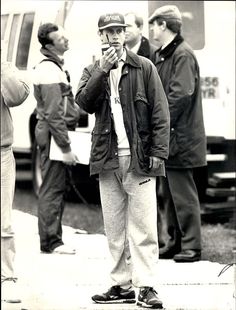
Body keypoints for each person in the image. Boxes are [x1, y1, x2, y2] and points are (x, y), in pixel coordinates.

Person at [75, 12, 170, 309]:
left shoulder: (144, 67)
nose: (115, 36)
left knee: (143, 227)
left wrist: (158, 153)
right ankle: (121, 284)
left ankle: (146, 287)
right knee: (114, 227)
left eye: (119, 30)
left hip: (139, 159)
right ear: (101, 36)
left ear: (126, 33)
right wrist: (102, 70)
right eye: (109, 31)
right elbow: (83, 104)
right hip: (108, 160)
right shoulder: (93, 69)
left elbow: (160, 114)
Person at [148, 5, 207, 262]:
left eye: (154, 24)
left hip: (179, 136)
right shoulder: (165, 55)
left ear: (163, 25)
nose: (151, 29)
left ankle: (192, 246)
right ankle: (174, 242)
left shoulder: (182, 55)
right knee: (168, 194)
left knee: (183, 194)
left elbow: (179, 96)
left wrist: (158, 123)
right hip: (170, 136)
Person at [33, 23, 80, 255]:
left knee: (56, 186)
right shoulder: (50, 70)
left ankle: (53, 239)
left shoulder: (55, 66)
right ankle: (51, 241)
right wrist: (66, 147)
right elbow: (53, 113)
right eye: (61, 38)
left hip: (53, 134)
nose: (66, 39)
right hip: (52, 135)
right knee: (52, 188)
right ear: (50, 45)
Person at [1, 61, 30, 303]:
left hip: (1, 152)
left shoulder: (5, 65)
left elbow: (18, 96)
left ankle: (6, 277)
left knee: (4, 220)